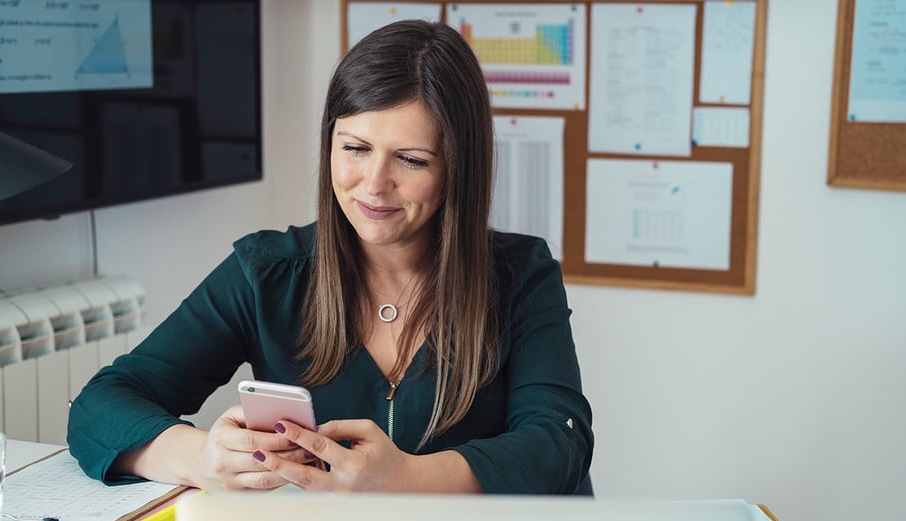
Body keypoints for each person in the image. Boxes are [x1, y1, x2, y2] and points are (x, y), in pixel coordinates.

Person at [67, 19, 594, 495]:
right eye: (355, 148)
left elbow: (558, 442)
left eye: (411, 159)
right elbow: (102, 403)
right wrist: (199, 458)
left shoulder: (521, 275)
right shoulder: (267, 273)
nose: (374, 184)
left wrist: (409, 479)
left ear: (460, 168)